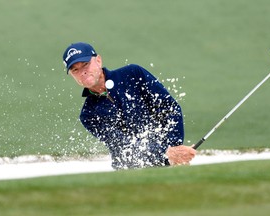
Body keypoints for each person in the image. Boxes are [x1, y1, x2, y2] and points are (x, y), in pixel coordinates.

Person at [62, 42, 196, 169]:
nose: (82, 72)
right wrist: (167, 151)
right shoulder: (88, 115)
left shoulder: (133, 74)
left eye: (85, 64)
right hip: (130, 171)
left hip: (173, 161)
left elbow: (169, 108)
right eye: (75, 70)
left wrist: (175, 147)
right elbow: (123, 146)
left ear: (98, 61)